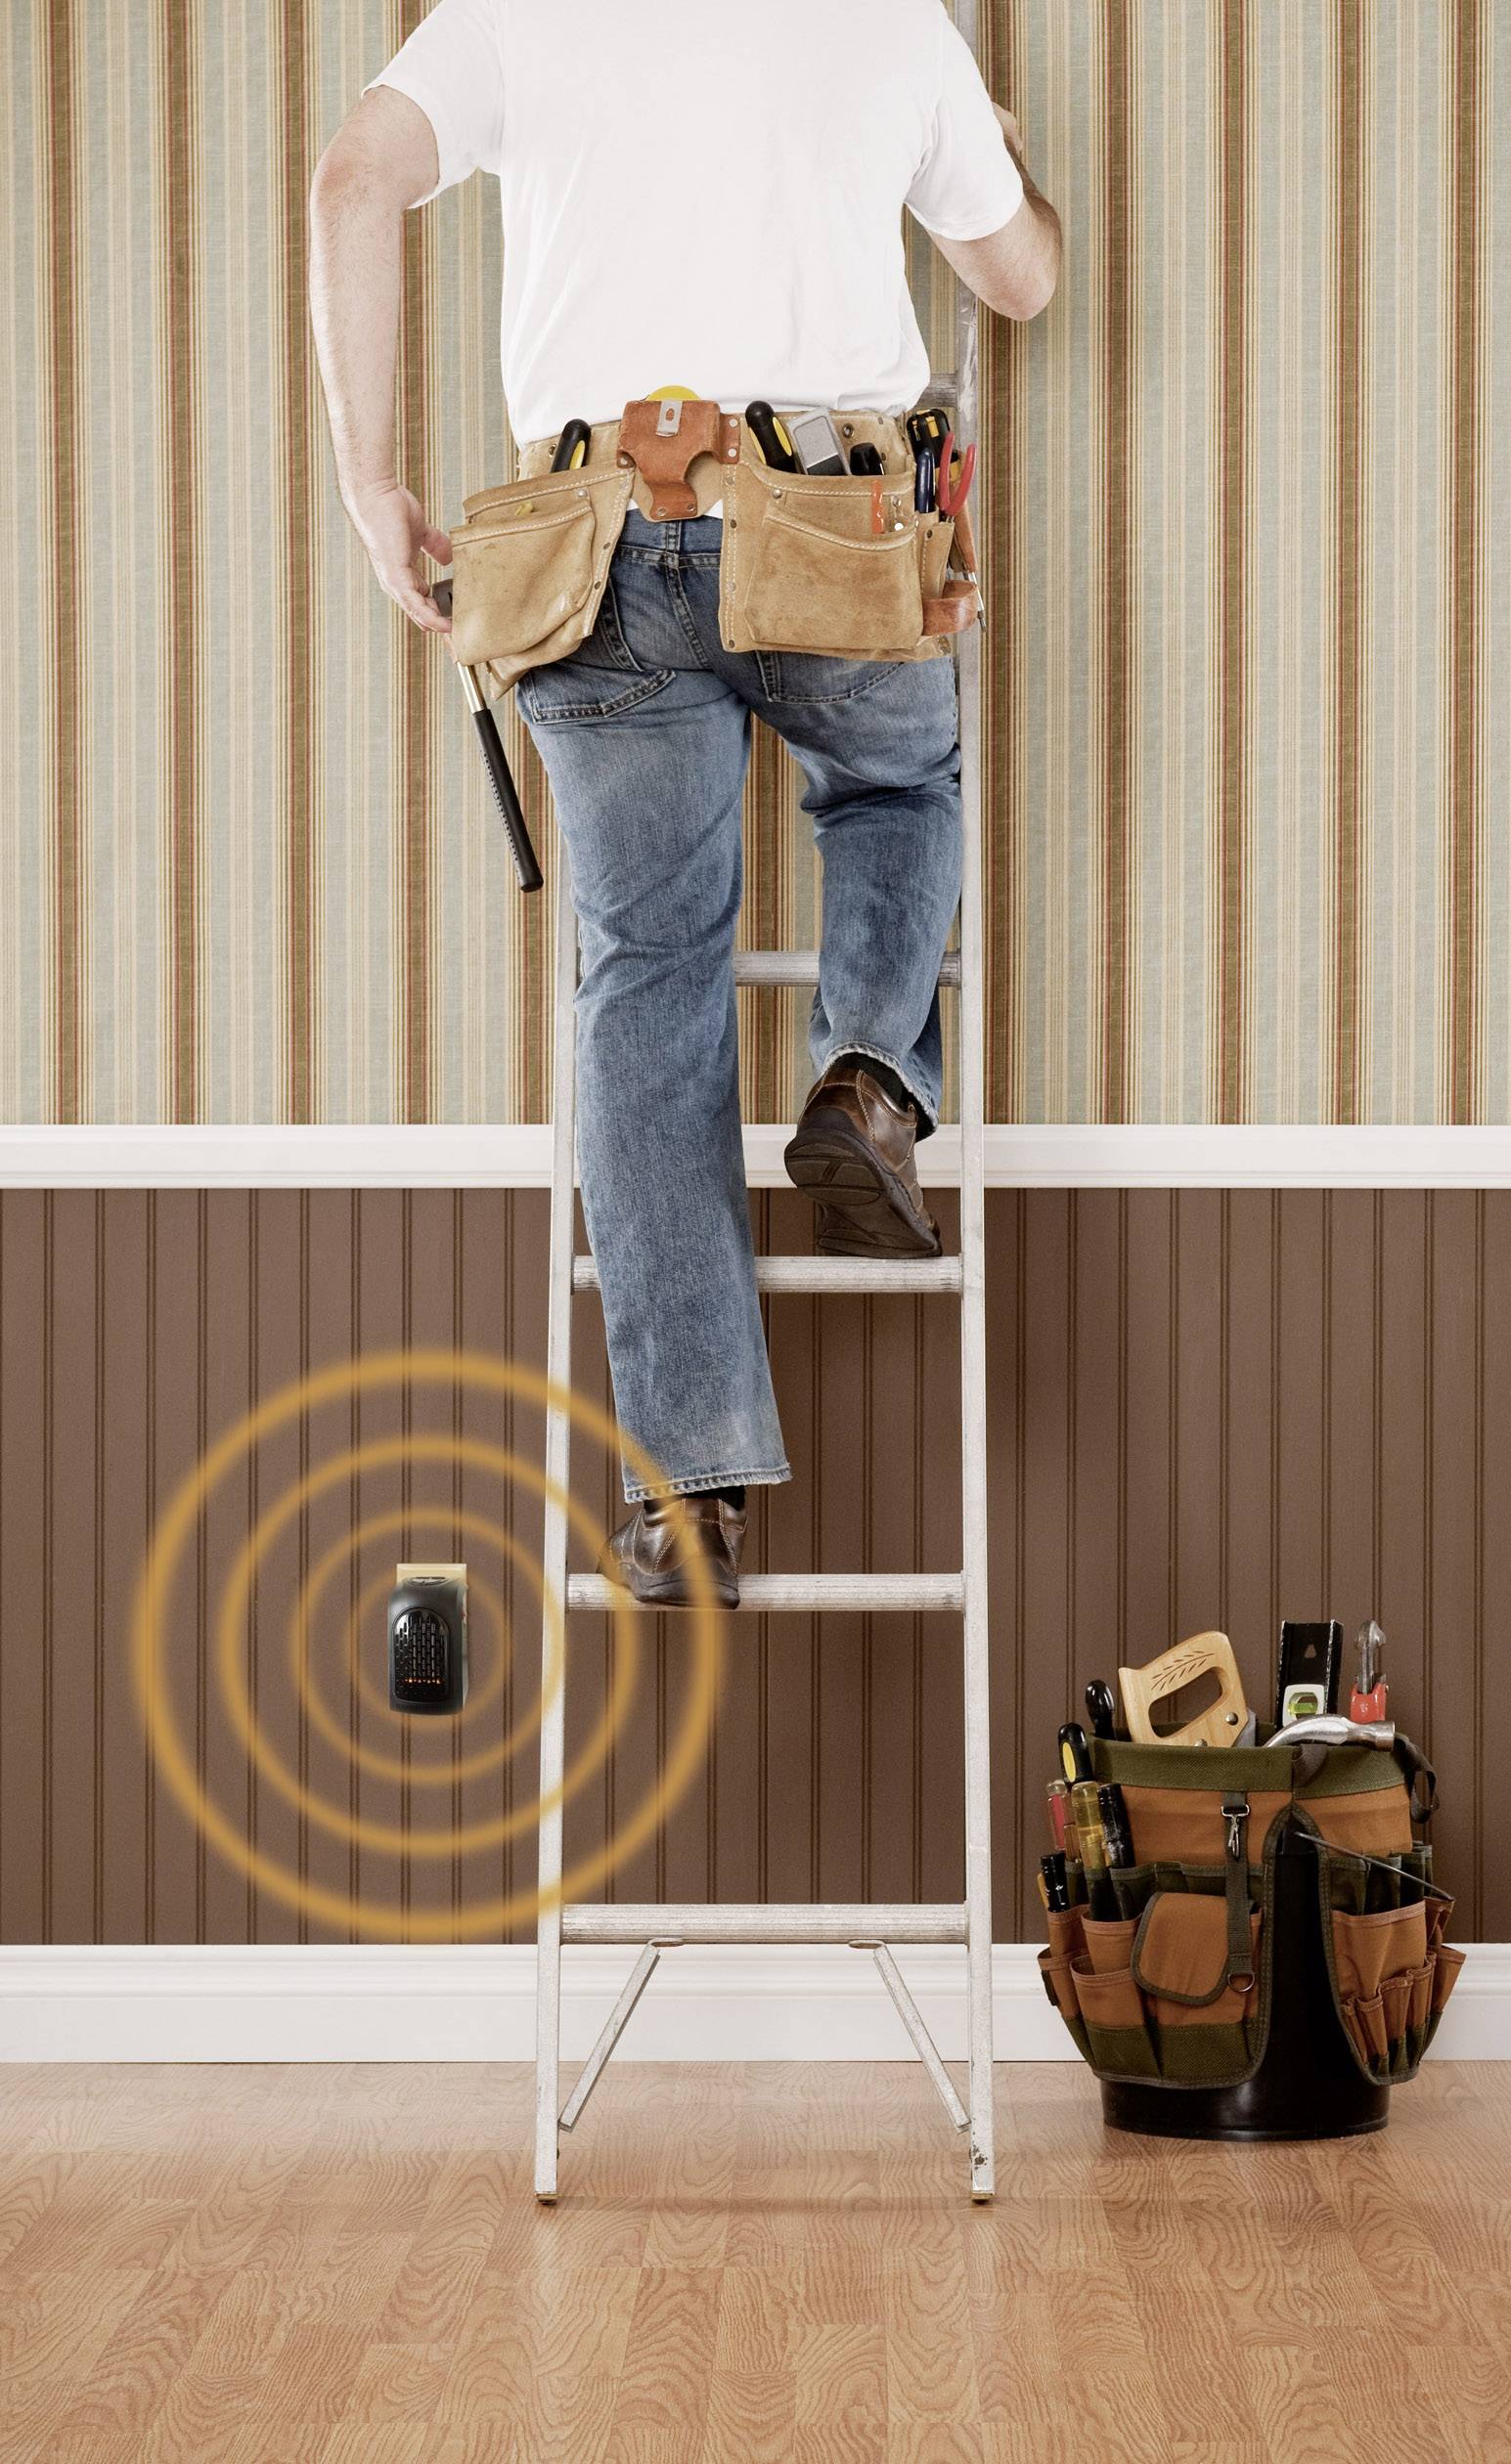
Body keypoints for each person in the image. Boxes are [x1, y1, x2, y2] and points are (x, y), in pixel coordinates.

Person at [310, 0, 1060, 1607]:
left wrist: (375, 490)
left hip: (576, 537)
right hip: (830, 516)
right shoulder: (890, 19)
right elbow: (1024, 280)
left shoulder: (510, 14)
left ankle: (685, 1496)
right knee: (889, 782)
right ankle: (866, 1077)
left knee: (645, 988)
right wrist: (996, 153)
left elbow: (349, 179)